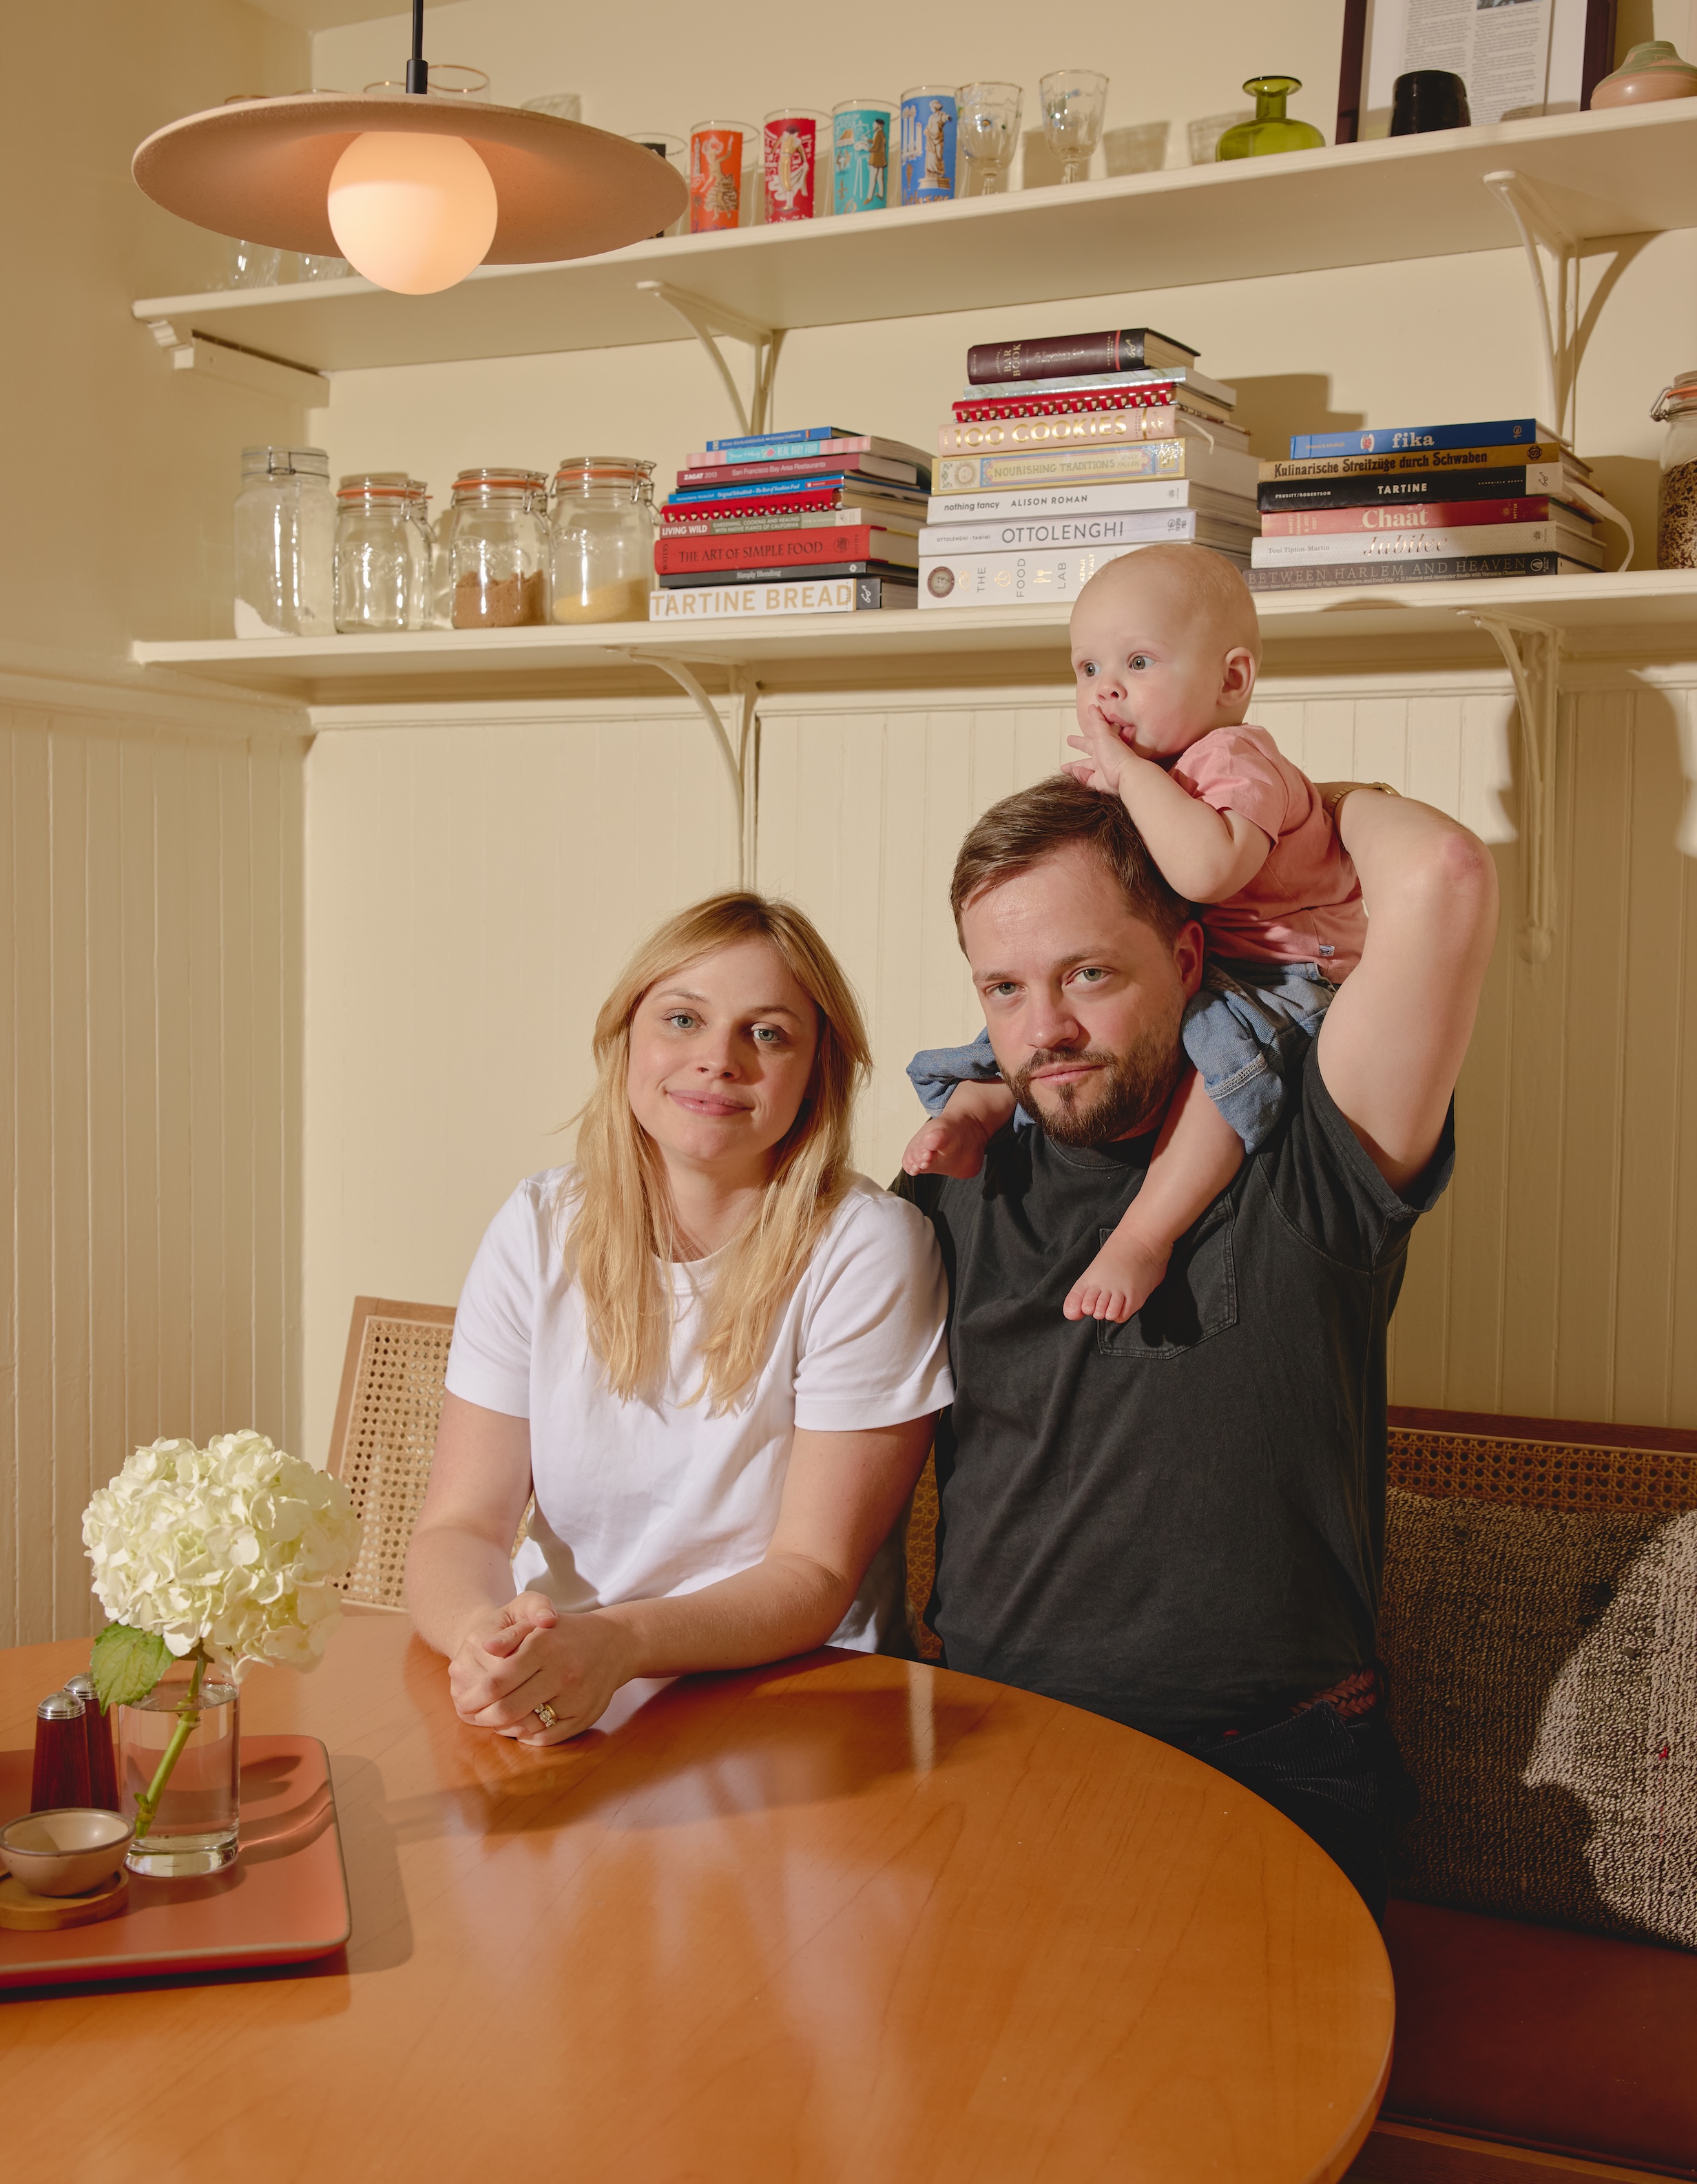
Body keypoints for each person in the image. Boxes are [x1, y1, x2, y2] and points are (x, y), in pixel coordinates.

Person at [894, 767, 1497, 1917]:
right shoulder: (954, 1179)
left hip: (1269, 1764)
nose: (1045, 1030)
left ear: (1182, 961)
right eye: (1003, 989)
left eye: (1085, 973)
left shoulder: (1312, 1151)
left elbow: (1443, 878)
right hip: (990, 1743)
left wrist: (1244, 805)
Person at [407, 893, 952, 1744]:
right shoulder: (538, 1224)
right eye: (683, 1019)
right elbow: (460, 1527)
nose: (718, 1060)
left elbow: (812, 1575)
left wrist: (618, 1644)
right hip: (559, 1690)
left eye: (766, 1033)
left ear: (817, 1070)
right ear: (627, 1039)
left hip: (791, 1706)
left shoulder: (868, 1246)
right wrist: (488, 1643)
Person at [904, 545, 1365, 1323]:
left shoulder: (1234, 759)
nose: (1106, 688)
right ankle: (973, 1111)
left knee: (1223, 1069)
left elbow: (1207, 872)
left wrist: (1125, 774)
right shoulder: (1139, 767)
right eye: (1087, 670)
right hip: (1218, 959)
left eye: (1139, 662)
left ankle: (1145, 1236)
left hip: (1289, 969)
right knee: (1034, 1011)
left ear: (1232, 680)